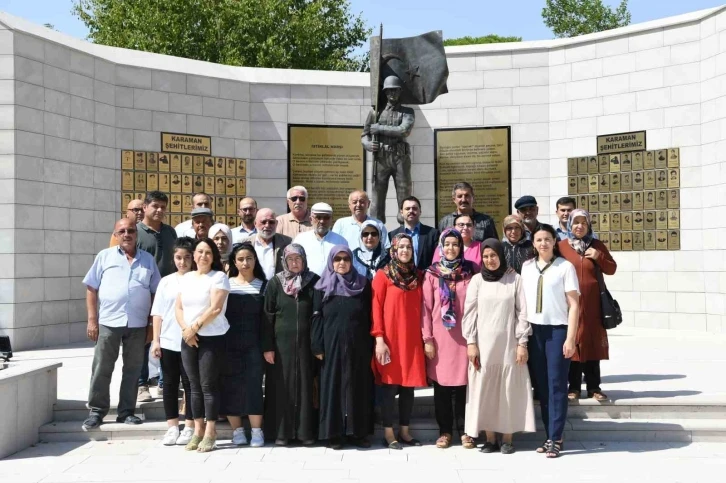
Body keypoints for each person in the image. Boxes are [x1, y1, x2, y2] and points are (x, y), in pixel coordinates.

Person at [81, 218, 161, 430]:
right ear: (115, 235)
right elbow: (91, 288)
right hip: (108, 322)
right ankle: (97, 411)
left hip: (138, 324)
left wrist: (152, 325)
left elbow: (156, 293)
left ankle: (127, 412)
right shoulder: (104, 257)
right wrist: (92, 320)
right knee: (102, 367)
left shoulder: (148, 260)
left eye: (131, 231)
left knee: (133, 369)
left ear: (136, 234)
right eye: (122, 231)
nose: (127, 234)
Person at [462, 238, 535, 454]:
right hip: (483, 346)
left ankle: (508, 438)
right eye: (485, 256)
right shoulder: (476, 281)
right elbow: (469, 314)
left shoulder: (514, 278)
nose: (490, 260)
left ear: (501, 255)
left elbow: (523, 312)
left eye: (493, 255)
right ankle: (490, 438)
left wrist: (522, 342)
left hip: (508, 345)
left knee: (507, 390)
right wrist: (471, 342)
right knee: (485, 389)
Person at [520, 224, 579, 458]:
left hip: (557, 331)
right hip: (534, 332)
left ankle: (556, 437)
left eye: (547, 239)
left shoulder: (565, 267)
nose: (543, 243)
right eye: (538, 240)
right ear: (533, 243)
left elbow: (574, 305)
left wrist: (571, 338)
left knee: (556, 385)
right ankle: (549, 436)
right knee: (542, 387)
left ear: (555, 241)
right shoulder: (526, 267)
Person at [311, 246, 373, 449]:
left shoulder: (363, 284)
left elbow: (369, 316)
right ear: (331, 261)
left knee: (359, 387)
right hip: (331, 345)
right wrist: (317, 346)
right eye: (337, 259)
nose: (342, 263)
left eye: (346, 259)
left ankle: (359, 433)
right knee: (332, 388)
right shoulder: (321, 286)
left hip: (359, 344)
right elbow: (316, 318)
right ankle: (333, 434)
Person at [371, 233, 427, 450]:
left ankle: (404, 430)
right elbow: (376, 308)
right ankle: (388, 432)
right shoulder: (383, 276)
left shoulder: (419, 276)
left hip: (412, 340)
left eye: (408, 247)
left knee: (408, 388)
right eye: (400, 247)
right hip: (390, 340)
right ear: (393, 250)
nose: (405, 251)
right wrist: (379, 339)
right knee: (389, 386)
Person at [175, 238, 231, 452]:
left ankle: (210, 431)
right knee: (193, 386)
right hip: (188, 337)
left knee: (208, 385)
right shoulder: (187, 277)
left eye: (208, 252)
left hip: (211, 336)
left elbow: (216, 308)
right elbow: (178, 308)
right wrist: (185, 330)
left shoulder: (219, 277)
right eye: (199, 252)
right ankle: (197, 430)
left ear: (213, 256)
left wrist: (194, 327)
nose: (203, 256)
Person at [421, 229, 475, 449]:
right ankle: (444, 431)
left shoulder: (471, 272)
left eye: (455, 244)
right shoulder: (432, 274)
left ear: (461, 248)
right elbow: (425, 308)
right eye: (447, 244)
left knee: (464, 386)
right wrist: (427, 338)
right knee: (442, 388)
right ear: (441, 247)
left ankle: (465, 431)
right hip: (440, 339)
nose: (451, 248)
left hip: (465, 337)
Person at [263, 244, 320, 446]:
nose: (294, 263)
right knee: (282, 387)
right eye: (290, 260)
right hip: (281, 348)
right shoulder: (275, 283)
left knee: (306, 387)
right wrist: (267, 347)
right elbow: (267, 317)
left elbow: (319, 314)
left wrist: (318, 345)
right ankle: (282, 433)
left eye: (298, 259)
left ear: (304, 260)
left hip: (307, 346)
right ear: (284, 262)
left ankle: (306, 433)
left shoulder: (314, 281)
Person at [558, 209, 617, 401]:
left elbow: (612, 269)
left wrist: (598, 256)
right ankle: (573, 387)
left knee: (592, 344)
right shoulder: (562, 247)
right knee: (572, 341)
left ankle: (594, 387)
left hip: (593, 306)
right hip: (569, 305)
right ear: (570, 225)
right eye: (576, 222)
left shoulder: (596, 245)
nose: (580, 226)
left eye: (584, 223)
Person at [150, 237, 195, 446]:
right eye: (178, 257)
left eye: (187, 257)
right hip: (168, 341)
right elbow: (157, 313)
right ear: (173, 258)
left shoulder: (198, 279)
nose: (182, 262)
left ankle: (190, 425)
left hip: (191, 340)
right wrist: (155, 341)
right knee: (169, 384)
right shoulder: (166, 281)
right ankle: (172, 426)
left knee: (190, 384)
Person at [222, 243, 267, 448]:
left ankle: (257, 432)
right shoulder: (226, 284)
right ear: (234, 262)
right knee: (230, 386)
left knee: (254, 386)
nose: (245, 263)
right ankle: (237, 431)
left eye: (249, 258)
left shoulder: (263, 285)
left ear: (255, 260)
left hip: (254, 345)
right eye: (240, 259)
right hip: (229, 344)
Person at [135, 191, 178, 402]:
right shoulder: (135, 232)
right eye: (155, 206)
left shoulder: (170, 232)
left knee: (166, 337)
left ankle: (164, 382)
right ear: (145, 207)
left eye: (163, 206)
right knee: (143, 340)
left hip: (168, 295)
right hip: (143, 295)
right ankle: (141, 384)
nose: (160, 210)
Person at [362, 75, 415, 225]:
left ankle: (406, 228)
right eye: (389, 91)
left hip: (400, 157)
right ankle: (377, 229)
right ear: (385, 93)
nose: (392, 94)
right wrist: (367, 145)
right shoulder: (375, 112)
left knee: (404, 194)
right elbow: (364, 135)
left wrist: (379, 128)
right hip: (381, 157)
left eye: (395, 90)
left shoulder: (407, 112)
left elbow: (404, 130)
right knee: (377, 196)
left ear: (400, 92)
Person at [293, 202, 348, 276]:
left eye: (326, 218)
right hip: (307, 285)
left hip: (333, 285)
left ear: (331, 219)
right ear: (311, 219)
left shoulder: (341, 241)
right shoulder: (300, 240)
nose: (322, 221)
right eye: (318, 217)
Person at [389, 196, 440, 271]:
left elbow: (437, 259)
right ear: (401, 212)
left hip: (425, 279)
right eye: (407, 208)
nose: (411, 211)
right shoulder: (392, 235)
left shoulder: (433, 234)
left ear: (420, 211)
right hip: (400, 279)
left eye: (414, 208)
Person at [240, 209, 292, 282]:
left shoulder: (287, 242)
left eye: (271, 222)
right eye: (263, 222)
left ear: (276, 223)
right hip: (251, 288)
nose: (267, 226)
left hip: (277, 289)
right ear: (255, 223)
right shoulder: (244, 243)